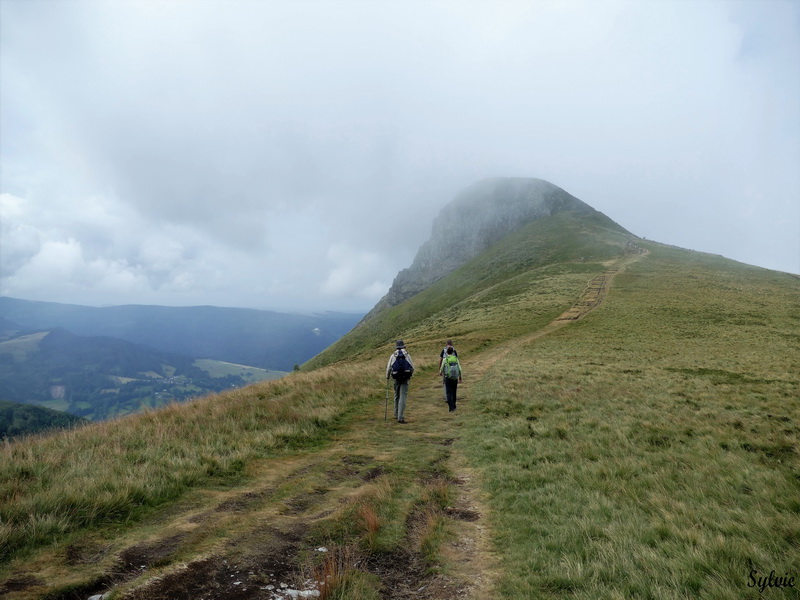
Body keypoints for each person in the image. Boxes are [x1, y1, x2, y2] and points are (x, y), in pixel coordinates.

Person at [386, 340, 415, 423]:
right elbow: (412, 367)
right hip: (405, 378)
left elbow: (388, 367)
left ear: (396, 347)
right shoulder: (407, 355)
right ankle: (400, 417)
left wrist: (387, 377)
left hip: (396, 378)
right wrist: (409, 375)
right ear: (403, 346)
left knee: (396, 395)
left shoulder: (393, 355)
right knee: (403, 396)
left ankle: (395, 413)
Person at [439, 346, 462, 412]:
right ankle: (454, 406)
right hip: (455, 378)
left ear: (446, 352)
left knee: (449, 392)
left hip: (448, 377)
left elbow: (442, 368)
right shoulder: (456, 359)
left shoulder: (445, 359)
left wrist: (440, 372)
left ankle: (451, 408)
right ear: (453, 352)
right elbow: (460, 368)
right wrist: (460, 377)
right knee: (454, 391)